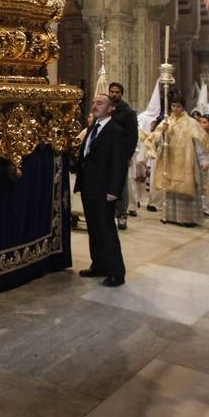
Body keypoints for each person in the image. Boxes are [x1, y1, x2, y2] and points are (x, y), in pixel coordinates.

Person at [73, 94, 127, 287]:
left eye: (100, 103)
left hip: (105, 189)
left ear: (111, 109)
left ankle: (116, 272)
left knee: (106, 229)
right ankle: (98, 265)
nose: (94, 106)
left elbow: (118, 164)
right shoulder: (92, 129)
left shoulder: (116, 131)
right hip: (89, 187)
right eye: (94, 103)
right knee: (94, 229)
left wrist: (114, 190)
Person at [152, 96, 209, 227]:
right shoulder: (167, 121)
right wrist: (163, 132)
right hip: (170, 159)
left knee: (186, 187)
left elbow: (199, 142)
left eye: (178, 106)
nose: (175, 109)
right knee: (170, 187)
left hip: (186, 158)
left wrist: (203, 160)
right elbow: (156, 140)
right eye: (173, 106)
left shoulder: (191, 122)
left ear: (183, 107)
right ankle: (170, 216)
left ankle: (188, 218)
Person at [106, 82, 139, 230]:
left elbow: (133, 136)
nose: (114, 94)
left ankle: (121, 214)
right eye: (112, 91)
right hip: (105, 153)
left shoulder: (127, 112)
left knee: (120, 185)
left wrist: (128, 155)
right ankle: (107, 213)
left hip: (120, 154)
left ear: (121, 94)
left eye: (117, 92)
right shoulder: (105, 108)